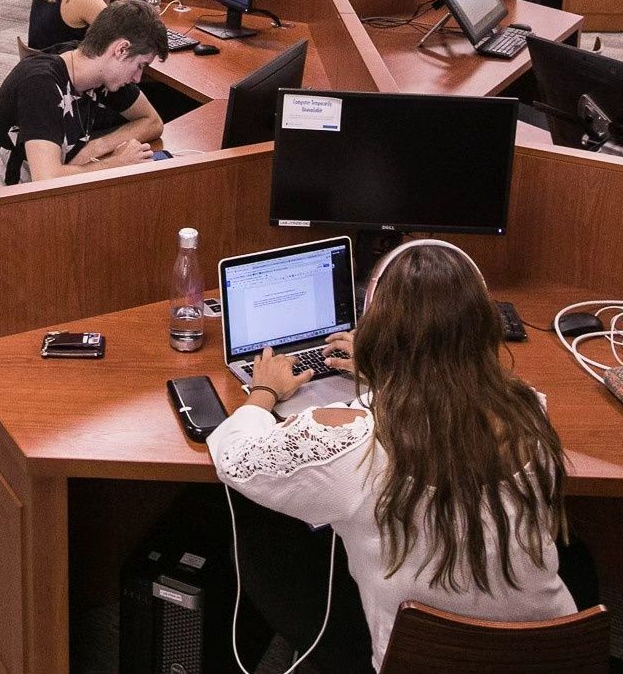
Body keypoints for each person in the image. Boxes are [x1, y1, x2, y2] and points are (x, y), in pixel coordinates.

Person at [208, 240, 577, 671]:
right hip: (556, 654)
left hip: (415, 659)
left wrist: (264, 391)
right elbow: (446, 405)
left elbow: (234, 458)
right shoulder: (530, 411)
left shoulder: (352, 442)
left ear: (376, 324)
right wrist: (390, 366)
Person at [0, 0, 165, 186]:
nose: (138, 78)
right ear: (121, 50)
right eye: (140, 66)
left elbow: (153, 122)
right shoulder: (40, 84)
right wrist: (116, 163)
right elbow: (46, 180)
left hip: (58, 196)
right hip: (10, 205)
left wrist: (94, 148)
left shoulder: (97, 70)